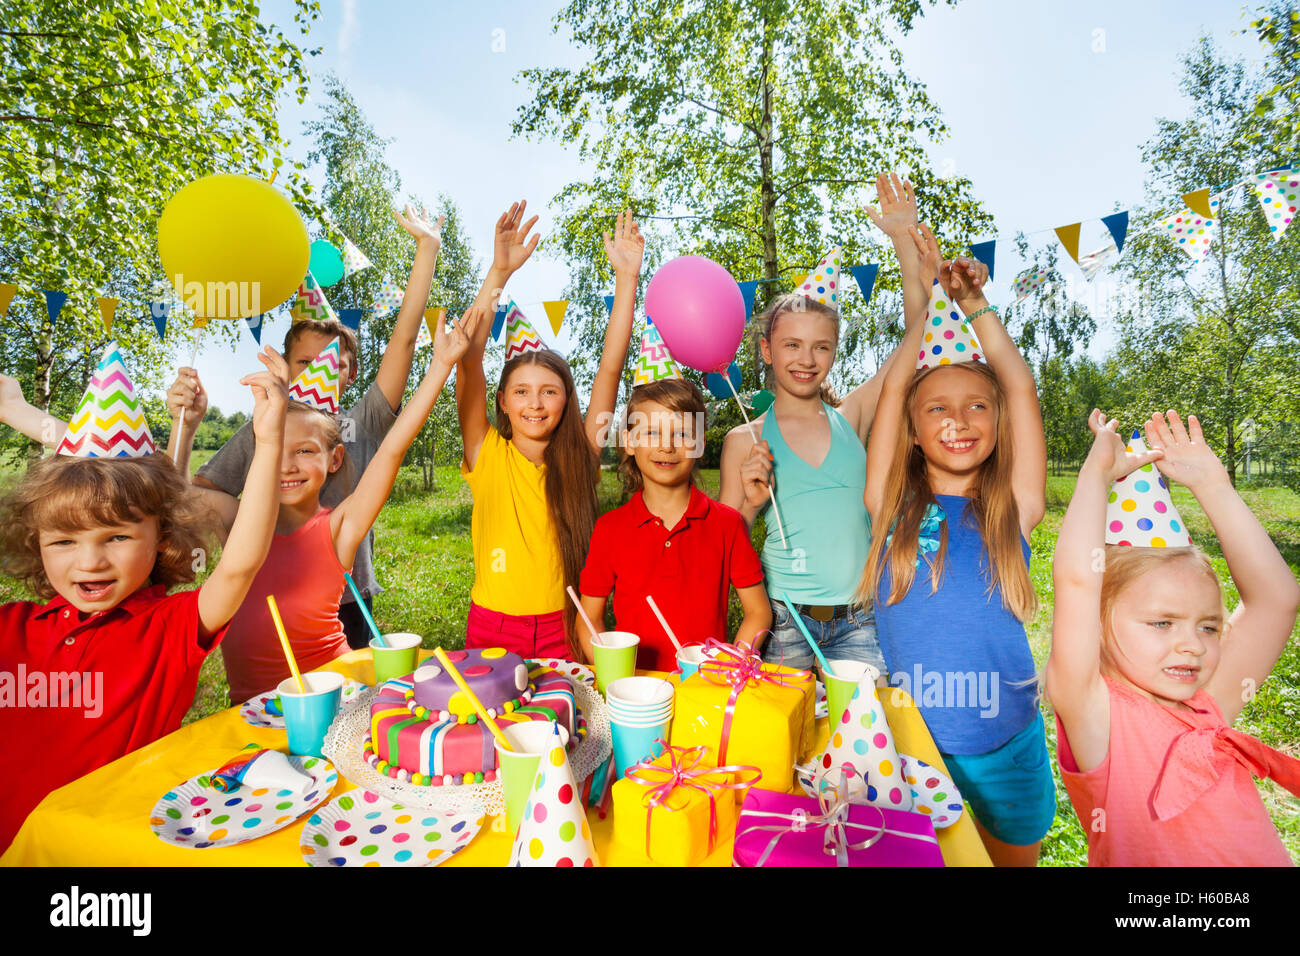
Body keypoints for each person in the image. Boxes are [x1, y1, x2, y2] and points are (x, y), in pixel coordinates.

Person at [0, 354, 286, 853]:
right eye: (63, 542)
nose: (89, 562)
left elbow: (238, 566)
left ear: (161, 538)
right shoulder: (12, 628)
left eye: (116, 537)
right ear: (35, 540)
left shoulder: (169, 627)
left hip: (111, 861)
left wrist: (268, 443)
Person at [857, 220, 1053, 867]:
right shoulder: (889, 509)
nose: (960, 421)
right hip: (912, 747)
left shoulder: (1014, 509)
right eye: (937, 408)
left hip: (1008, 745)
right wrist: (925, 311)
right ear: (911, 428)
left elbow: (1019, 386)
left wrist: (974, 307)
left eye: (977, 407)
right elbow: (892, 390)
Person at [1046, 409, 1300, 866]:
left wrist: (1213, 486)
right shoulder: (1094, 714)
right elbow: (1078, 580)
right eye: (1162, 623)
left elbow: (1276, 600)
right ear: (1098, 623)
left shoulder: (1207, 702)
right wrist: (1094, 479)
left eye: (1208, 626)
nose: (1194, 645)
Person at [174, 317, 472, 703]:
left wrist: (440, 367)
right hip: (249, 711)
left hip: (336, 697)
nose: (288, 466)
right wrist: (186, 426)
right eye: (274, 448)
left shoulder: (339, 528)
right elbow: (177, 500)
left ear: (334, 460)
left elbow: (394, 447)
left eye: (306, 451)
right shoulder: (236, 523)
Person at [193, 206, 446, 649]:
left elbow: (404, 339)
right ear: (286, 369)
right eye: (305, 363)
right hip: (268, 593)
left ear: (349, 375)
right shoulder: (260, 429)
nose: (317, 372)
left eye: (335, 363)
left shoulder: (361, 422)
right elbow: (203, 488)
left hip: (348, 599)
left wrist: (427, 249)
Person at [719, 174, 921, 675]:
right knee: (787, 747)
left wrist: (901, 239)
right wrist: (748, 500)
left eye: (821, 346)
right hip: (786, 626)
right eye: (792, 345)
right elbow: (723, 548)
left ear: (833, 351)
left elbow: (916, 338)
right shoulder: (743, 439)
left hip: (860, 622)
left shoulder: (852, 415)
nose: (806, 359)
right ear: (766, 350)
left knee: (864, 744)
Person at [454, 203, 640, 659]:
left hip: (565, 626)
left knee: (566, 730)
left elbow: (610, 370)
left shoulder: (582, 456)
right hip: (492, 629)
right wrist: (498, 273)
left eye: (549, 392)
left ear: (567, 399)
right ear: (502, 400)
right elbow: (469, 360)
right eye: (520, 392)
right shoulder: (487, 452)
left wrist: (627, 280)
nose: (534, 404)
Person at [578, 378, 770, 669]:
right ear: (629, 442)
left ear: (700, 444)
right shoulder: (609, 529)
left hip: (703, 689)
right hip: (637, 693)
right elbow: (588, 619)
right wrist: (616, 678)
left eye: (681, 433)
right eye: (652, 432)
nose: (666, 447)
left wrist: (732, 667)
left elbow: (758, 612)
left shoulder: (727, 524)